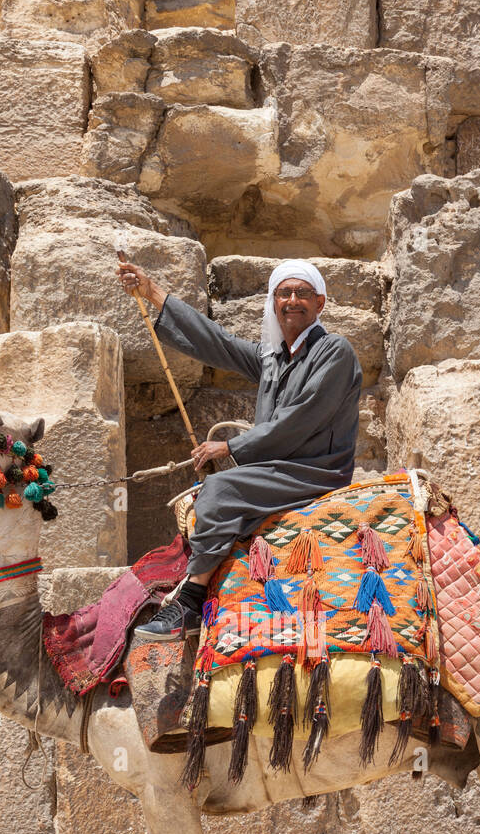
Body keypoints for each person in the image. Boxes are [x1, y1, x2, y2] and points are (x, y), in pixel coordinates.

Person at [117, 256, 363, 640]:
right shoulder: (272, 358)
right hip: (277, 467)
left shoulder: (335, 351)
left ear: (320, 303)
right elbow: (219, 343)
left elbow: (299, 420)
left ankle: (190, 604)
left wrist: (229, 447)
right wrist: (153, 293)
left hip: (315, 469)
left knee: (220, 489)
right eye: (285, 293)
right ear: (274, 301)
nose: (293, 300)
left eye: (303, 293)